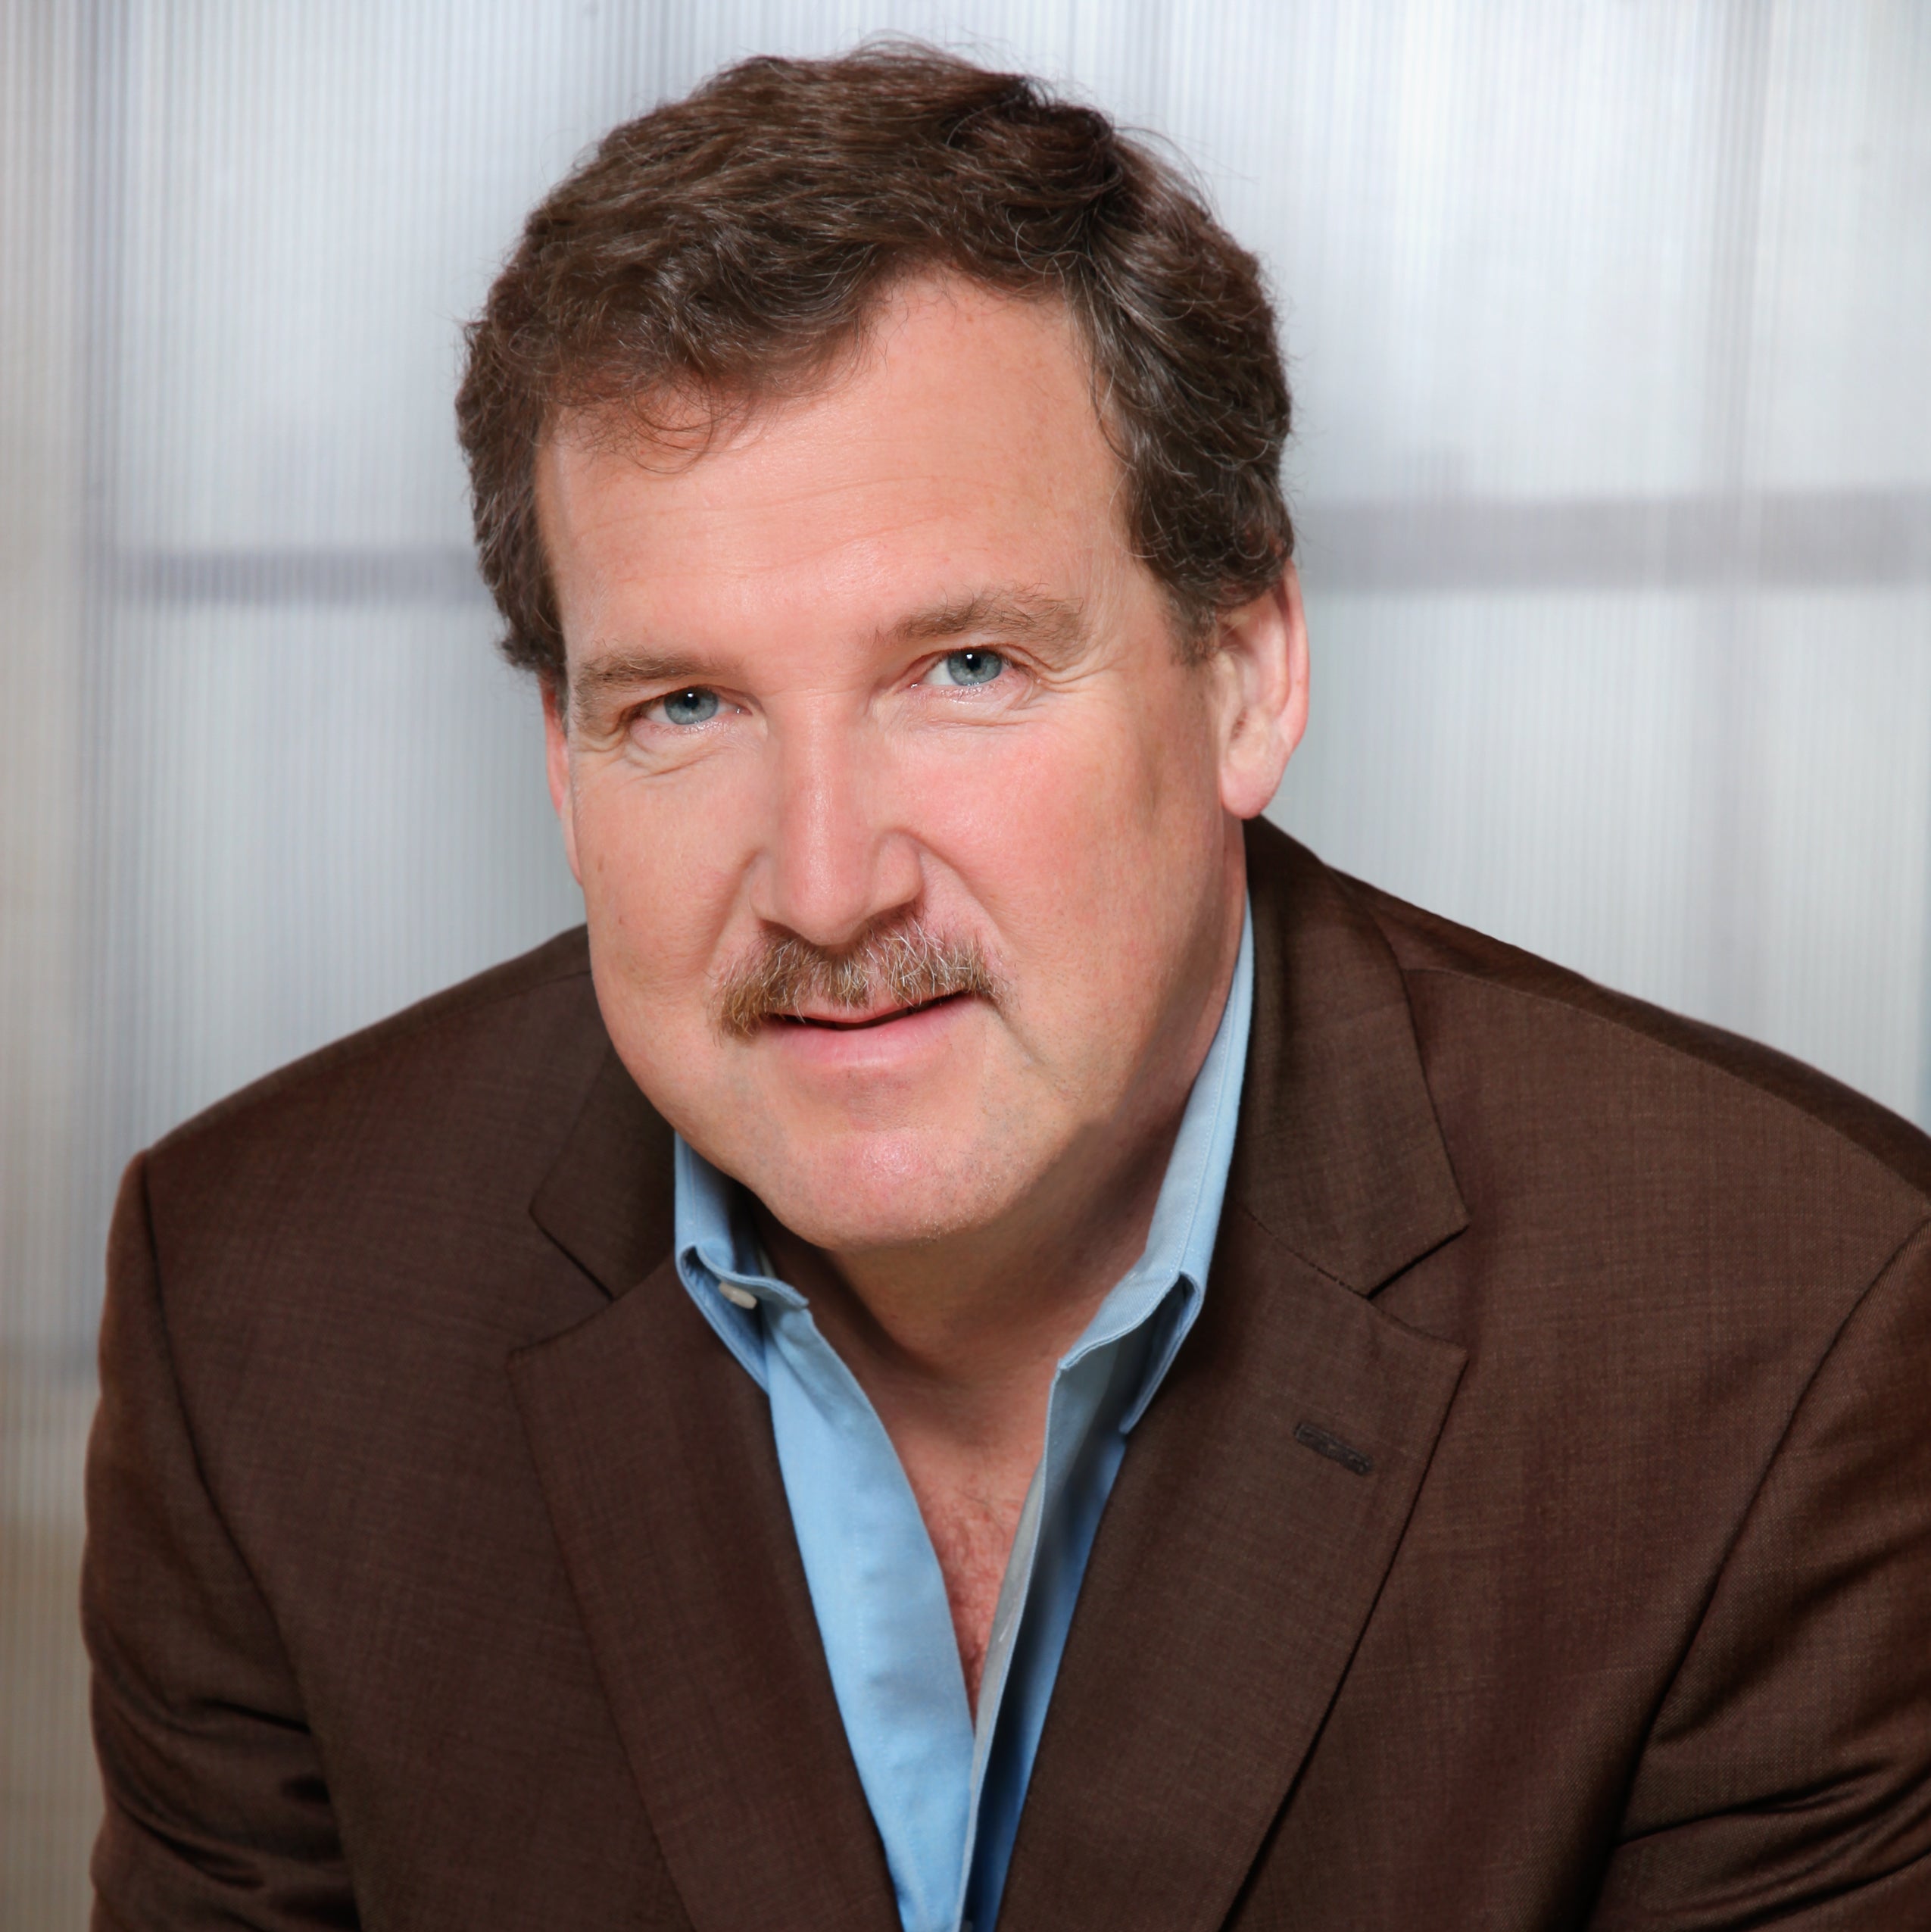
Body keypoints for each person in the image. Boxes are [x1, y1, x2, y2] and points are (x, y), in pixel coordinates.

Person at [83, 46, 1931, 1932]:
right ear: (564, 758)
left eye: (965, 667)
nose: (827, 887)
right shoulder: (262, 1314)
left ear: (1245, 673)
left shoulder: (1787, 1341)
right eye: (686, 706)